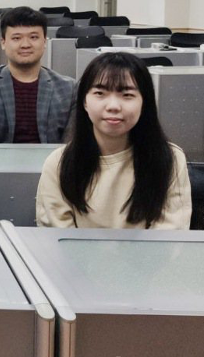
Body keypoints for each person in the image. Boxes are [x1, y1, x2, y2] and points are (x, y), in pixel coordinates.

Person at [36, 52, 191, 229]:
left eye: (127, 95)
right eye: (100, 93)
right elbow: (58, 238)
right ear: (84, 102)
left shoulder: (170, 159)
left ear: (144, 102)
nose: (113, 106)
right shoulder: (59, 163)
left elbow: (169, 237)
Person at [0, 6, 75, 143]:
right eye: (16, 38)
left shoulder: (68, 89)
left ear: (44, 42)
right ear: (3, 43)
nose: (25, 45)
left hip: (53, 158)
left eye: (33, 37)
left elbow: (71, 146)